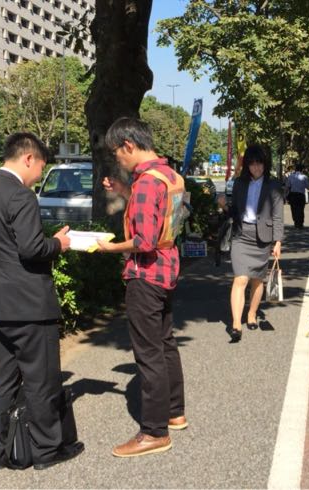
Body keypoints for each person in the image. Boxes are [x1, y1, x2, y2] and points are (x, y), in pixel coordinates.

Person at [0, 132, 84, 471]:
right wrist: (59, 244)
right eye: (41, 167)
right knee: (41, 378)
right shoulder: (20, 196)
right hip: (29, 304)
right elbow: (32, 248)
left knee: (3, 377)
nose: (39, 175)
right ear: (28, 158)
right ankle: (46, 449)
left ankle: (2, 446)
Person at [95, 117, 187, 457]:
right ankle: (175, 412)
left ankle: (153, 432)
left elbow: (144, 241)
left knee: (148, 353)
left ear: (129, 145)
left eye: (117, 153)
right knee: (165, 343)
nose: (118, 159)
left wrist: (109, 248)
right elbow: (162, 217)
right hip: (168, 268)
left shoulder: (147, 181)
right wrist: (123, 192)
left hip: (146, 274)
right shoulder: (170, 175)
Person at [217, 144, 284, 341]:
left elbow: (278, 216)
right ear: (247, 165)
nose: (256, 168)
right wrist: (224, 206)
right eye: (252, 164)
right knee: (240, 279)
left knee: (257, 279)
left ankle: (252, 313)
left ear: (265, 164)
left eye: (259, 163)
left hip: (262, 238)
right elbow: (234, 211)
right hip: (241, 235)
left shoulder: (273, 185)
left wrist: (278, 241)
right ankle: (236, 324)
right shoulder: (240, 183)